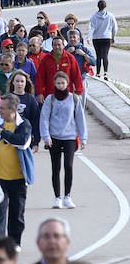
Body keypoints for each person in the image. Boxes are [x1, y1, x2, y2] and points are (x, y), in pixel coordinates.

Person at [0, 92, 33, 249]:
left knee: (17, 212)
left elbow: (22, 142)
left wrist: (2, 133)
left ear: (13, 109)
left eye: (2, 108)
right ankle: (0, 242)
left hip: (18, 177)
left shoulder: (24, 125)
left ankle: (15, 242)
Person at [39, 71, 86, 210]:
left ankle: (67, 196)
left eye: (63, 83)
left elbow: (80, 119)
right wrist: (46, 136)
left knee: (68, 166)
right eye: (58, 83)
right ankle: (57, 198)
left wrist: (83, 138)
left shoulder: (74, 99)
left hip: (70, 137)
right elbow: (44, 118)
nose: (60, 85)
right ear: (54, 84)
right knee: (56, 167)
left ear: (67, 84)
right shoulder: (50, 99)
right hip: (54, 138)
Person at [35, 35, 83, 102]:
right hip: (50, 95)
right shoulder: (46, 59)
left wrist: (79, 92)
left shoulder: (70, 58)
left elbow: (77, 76)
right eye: (55, 45)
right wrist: (39, 93)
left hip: (67, 95)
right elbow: (40, 77)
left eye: (59, 45)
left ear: (63, 45)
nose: (57, 47)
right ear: (52, 46)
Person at [87, 0, 117, 80]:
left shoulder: (94, 16)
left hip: (97, 38)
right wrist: (113, 37)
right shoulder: (110, 16)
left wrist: (89, 37)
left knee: (98, 55)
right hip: (107, 37)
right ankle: (106, 72)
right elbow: (115, 28)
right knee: (105, 55)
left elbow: (91, 27)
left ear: (98, 7)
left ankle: (98, 72)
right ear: (105, 6)